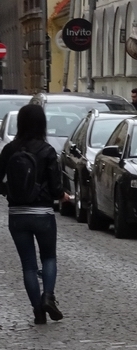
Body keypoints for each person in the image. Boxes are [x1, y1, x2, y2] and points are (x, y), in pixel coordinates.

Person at [0, 104, 71, 325]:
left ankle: (37, 312)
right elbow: (56, 188)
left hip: (17, 215)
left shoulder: (9, 150)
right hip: (43, 214)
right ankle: (48, 296)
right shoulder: (47, 151)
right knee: (49, 257)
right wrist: (63, 196)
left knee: (28, 265)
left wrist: (9, 192)